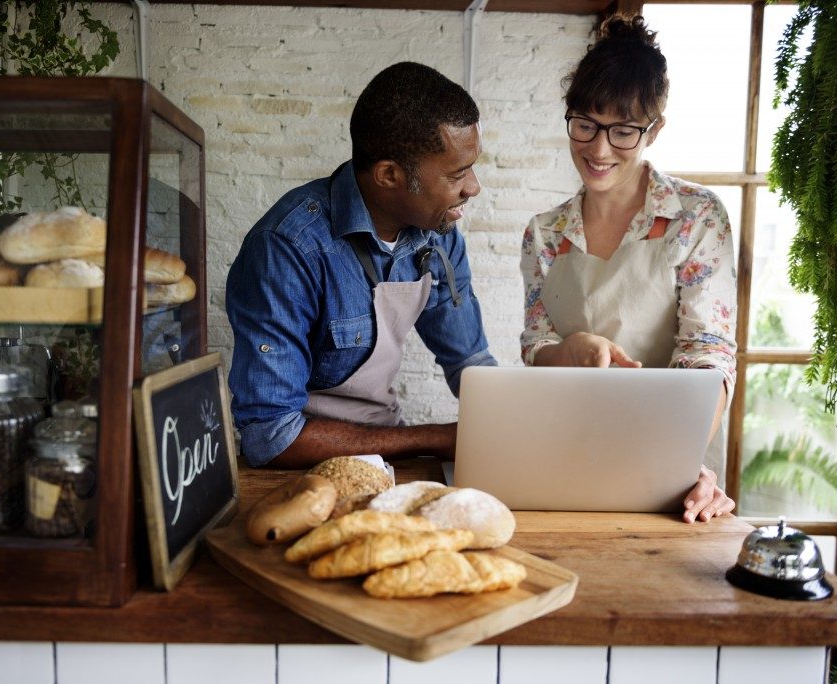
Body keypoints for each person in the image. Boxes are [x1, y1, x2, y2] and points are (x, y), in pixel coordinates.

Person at [520, 14, 737, 524]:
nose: (598, 150)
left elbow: (709, 353)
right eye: (585, 125)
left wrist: (675, 459)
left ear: (654, 129)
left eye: (622, 131)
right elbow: (536, 343)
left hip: (671, 470)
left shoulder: (697, 216)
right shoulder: (545, 233)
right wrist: (566, 351)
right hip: (568, 451)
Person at [226, 61, 496, 468]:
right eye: (457, 173)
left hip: (385, 451)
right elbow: (271, 436)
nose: (473, 187)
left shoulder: (437, 233)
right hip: (301, 468)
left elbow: (469, 362)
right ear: (389, 175)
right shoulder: (288, 248)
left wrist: (514, 422)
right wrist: (438, 439)